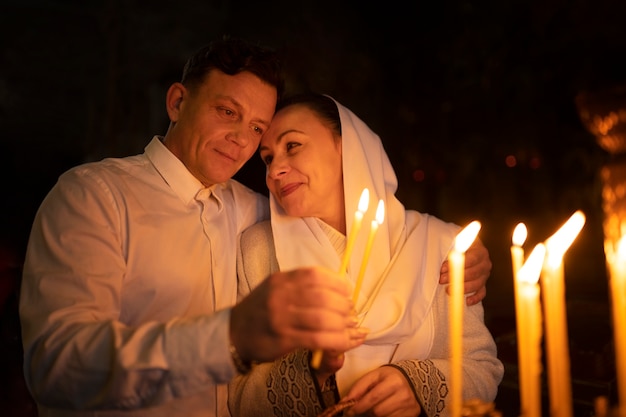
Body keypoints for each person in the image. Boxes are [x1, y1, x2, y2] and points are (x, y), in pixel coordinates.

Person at [19, 37, 490, 417]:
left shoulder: (257, 210)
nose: (244, 140)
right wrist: (231, 338)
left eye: (257, 128)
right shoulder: (95, 195)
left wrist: (466, 253)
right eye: (228, 112)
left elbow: (346, 222)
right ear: (178, 101)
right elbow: (57, 366)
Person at [229, 94, 504, 417]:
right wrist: (309, 373)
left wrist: (419, 386)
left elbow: (482, 368)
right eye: (267, 158)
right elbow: (239, 397)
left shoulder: (440, 245)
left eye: (292, 146)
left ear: (348, 147)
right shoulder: (258, 251)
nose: (275, 169)